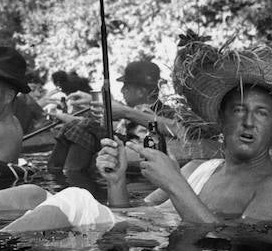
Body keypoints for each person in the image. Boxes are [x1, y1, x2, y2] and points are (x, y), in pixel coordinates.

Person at [0, 39, 272, 233]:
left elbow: (228, 243)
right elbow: (134, 214)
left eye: (261, 113)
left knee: (75, 200)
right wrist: (119, 179)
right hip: (136, 235)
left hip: (158, 250)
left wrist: (174, 183)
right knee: (30, 191)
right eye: (238, 111)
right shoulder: (201, 165)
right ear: (223, 121)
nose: (248, 122)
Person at [48, 60, 185, 172]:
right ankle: (57, 175)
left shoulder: (164, 113)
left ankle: (67, 180)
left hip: (136, 150)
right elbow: (112, 128)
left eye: (126, 86)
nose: (121, 90)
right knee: (75, 126)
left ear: (141, 91)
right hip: (123, 144)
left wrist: (123, 111)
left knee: (81, 129)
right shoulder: (132, 111)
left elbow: (176, 129)